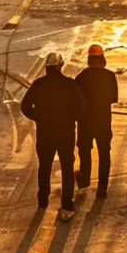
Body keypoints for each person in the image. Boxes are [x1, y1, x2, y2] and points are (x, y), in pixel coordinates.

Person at [21, 51, 84, 219]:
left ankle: (42, 200)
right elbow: (81, 109)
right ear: (60, 66)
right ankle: (67, 202)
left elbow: (25, 106)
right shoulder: (70, 84)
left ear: (47, 67)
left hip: (45, 134)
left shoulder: (39, 84)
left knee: (44, 167)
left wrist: (38, 117)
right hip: (65, 133)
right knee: (67, 168)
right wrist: (70, 118)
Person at [75, 44, 119, 198]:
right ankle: (102, 189)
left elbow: (76, 101)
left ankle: (84, 180)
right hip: (103, 123)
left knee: (84, 152)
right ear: (102, 60)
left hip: (85, 123)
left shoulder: (81, 77)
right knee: (104, 155)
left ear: (89, 60)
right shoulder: (109, 76)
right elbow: (113, 98)